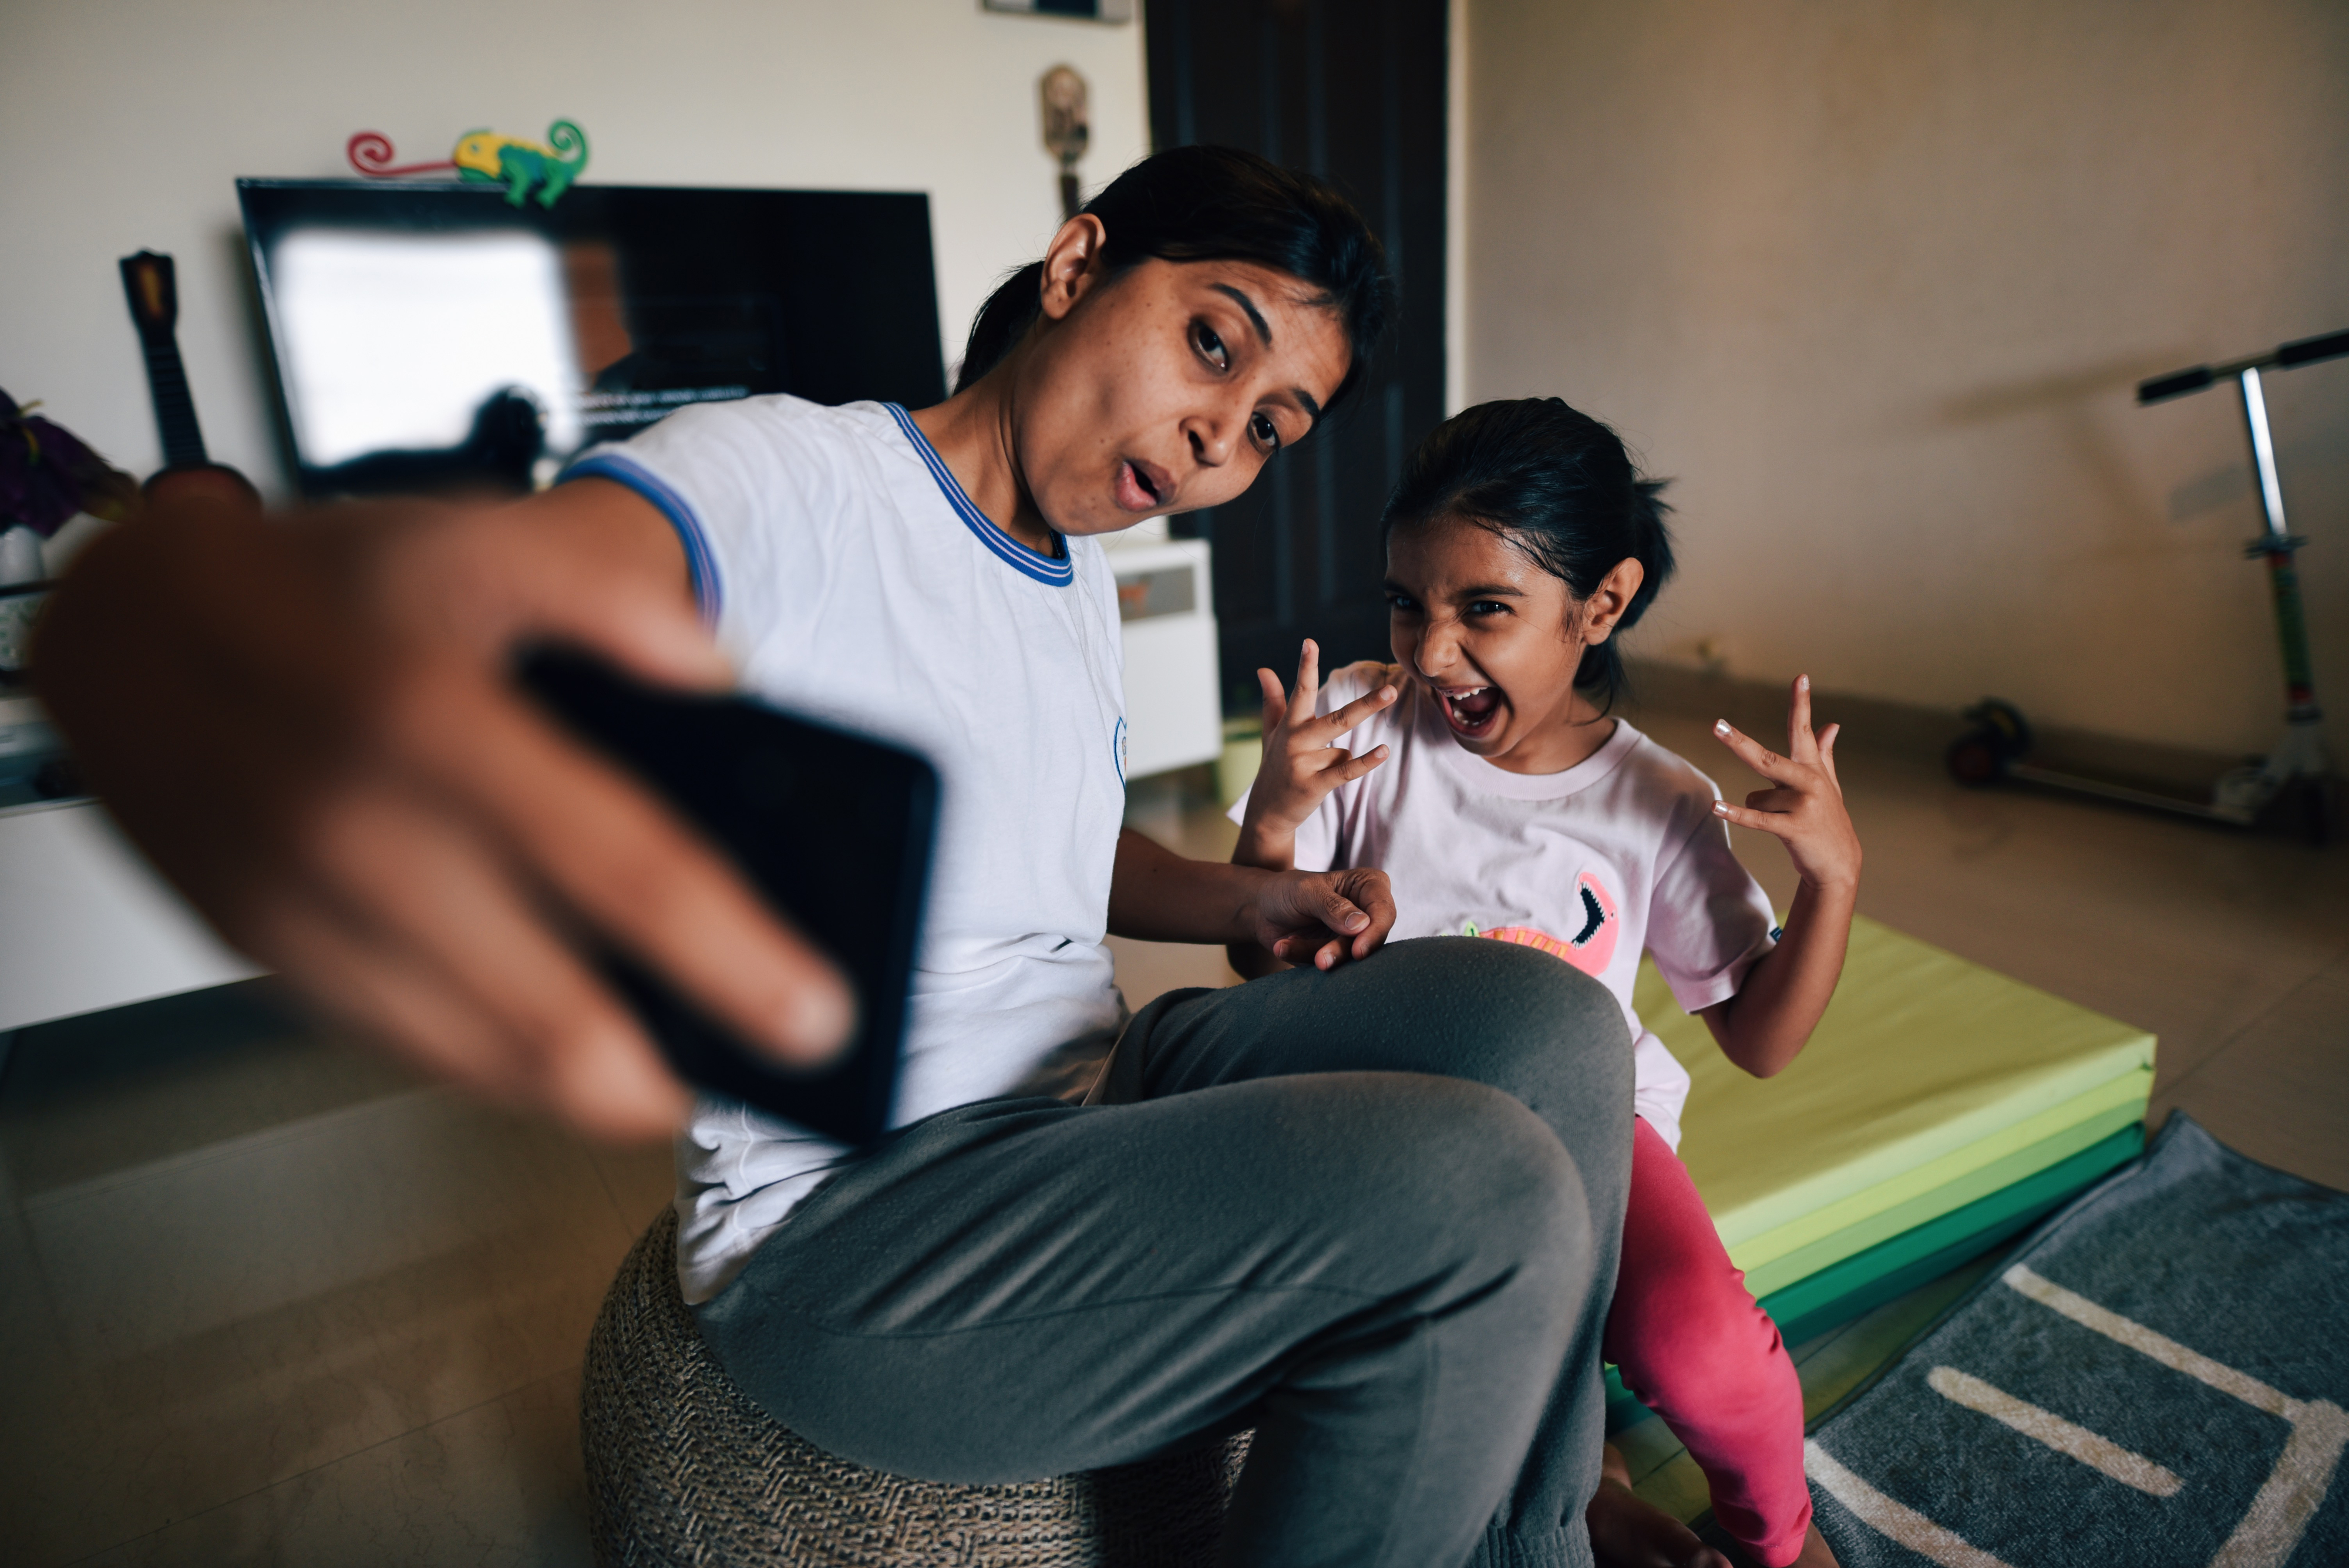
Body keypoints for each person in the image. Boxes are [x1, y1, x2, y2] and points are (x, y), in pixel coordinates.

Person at [35, 149, 1640, 1568]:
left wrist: (1247, 895)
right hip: (866, 1226)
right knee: (1473, 1188)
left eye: (1272, 426)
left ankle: (1530, 1540)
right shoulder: (785, 477)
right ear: (1079, 268)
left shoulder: (1074, 570)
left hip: (1092, 1102)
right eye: (1212, 344)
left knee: (1553, 1030)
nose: (1223, 436)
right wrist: (201, 615)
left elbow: (1052, 858)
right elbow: (497, 593)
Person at [1227, 398, 1863, 1568]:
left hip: (1588, 1132)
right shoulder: (1363, 727)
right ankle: (1591, 1496)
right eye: (1405, 603)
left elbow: (1761, 1040)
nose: (1428, 652)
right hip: (1388, 1128)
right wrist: (1273, 828)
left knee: (1702, 1349)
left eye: (1482, 611)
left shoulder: (1655, 801)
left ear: (1600, 606)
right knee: (1437, 1356)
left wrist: (1832, 879)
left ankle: (1778, 1541)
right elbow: (1249, 954)